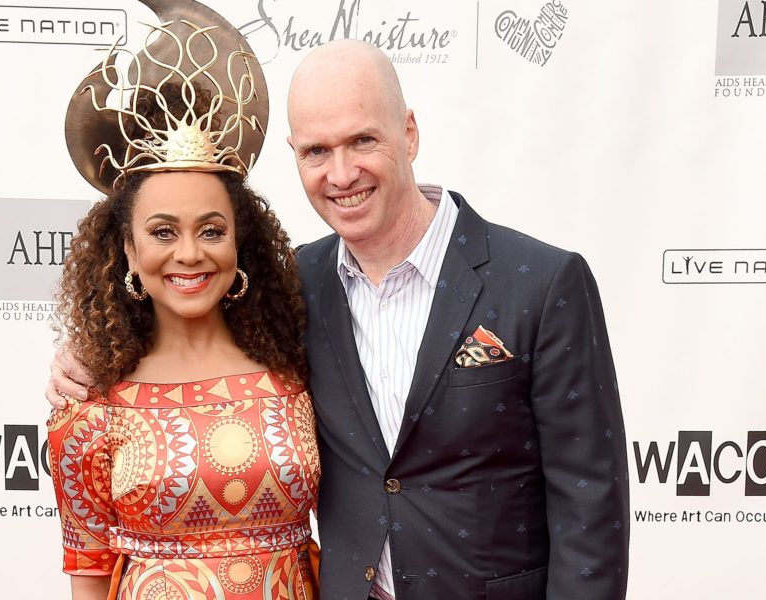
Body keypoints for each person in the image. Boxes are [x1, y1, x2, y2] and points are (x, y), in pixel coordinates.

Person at [51, 38, 629, 600]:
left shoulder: (539, 283)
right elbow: (181, 313)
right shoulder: (297, 288)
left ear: (409, 132)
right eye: (316, 151)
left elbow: (591, 505)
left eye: (363, 140)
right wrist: (85, 357)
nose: (342, 173)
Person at [47, 7, 319, 599]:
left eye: (212, 230)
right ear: (128, 248)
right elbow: (88, 578)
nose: (190, 254)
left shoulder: (300, 368)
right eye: (163, 231)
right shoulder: (90, 407)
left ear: (241, 243)